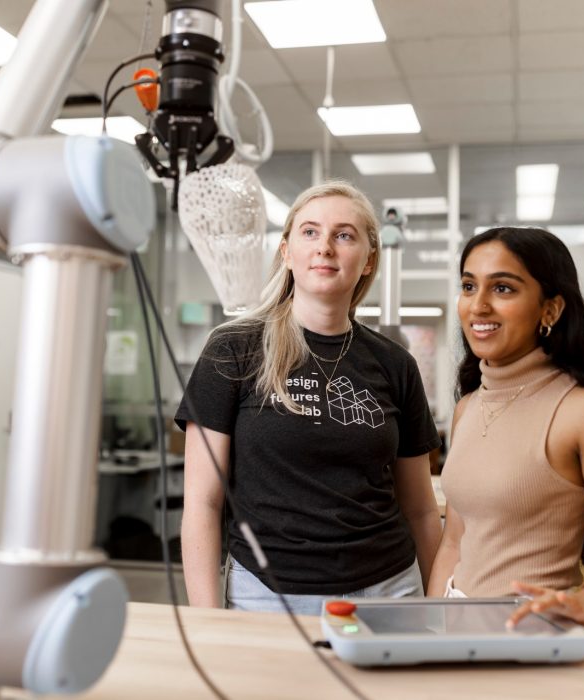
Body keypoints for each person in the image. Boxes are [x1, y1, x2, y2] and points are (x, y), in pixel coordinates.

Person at [175, 181, 442, 614]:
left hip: (390, 591)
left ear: (368, 257)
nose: (325, 248)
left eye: (344, 235)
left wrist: (439, 613)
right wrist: (207, 620)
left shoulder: (395, 363)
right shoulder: (233, 350)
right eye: (310, 232)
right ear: (287, 251)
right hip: (268, 597)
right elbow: (203, 503)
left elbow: (422, 511)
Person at [427, 226, 584, 629]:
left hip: (534, 635)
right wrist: (430, 628)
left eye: (503, 289)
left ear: (550, 310)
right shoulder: (467, 407)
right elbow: (453, 542)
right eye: (468, 286)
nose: (478, 305)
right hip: (456, 637)